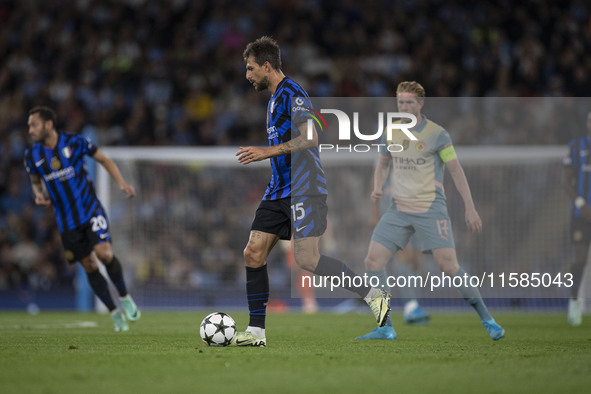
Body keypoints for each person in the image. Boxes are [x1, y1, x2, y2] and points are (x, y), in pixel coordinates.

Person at [234, 36, 390, 346]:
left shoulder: (294, 94)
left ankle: (373, 294)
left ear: (267, 66)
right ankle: (255, 333)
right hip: (278, 190)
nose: (247, 75)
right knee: (252, 253)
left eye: (250, 69)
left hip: (305, 189)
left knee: (307, 259)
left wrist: (266, 152)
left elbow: (311, 136)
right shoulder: (275, 98)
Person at [356, 81, 505, 340]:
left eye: (409, 102)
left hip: (430, 208)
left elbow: (456, 171)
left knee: (448, 265)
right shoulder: (391, 133)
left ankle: (488, 320)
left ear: (420, 104)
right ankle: (385, 326)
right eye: (400, 102)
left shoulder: (438, 134)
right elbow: (381, 164)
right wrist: (378, 188)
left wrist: (470, 207)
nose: (404, 106)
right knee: (372, 261)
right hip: (398, 209)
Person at [24, 106, 140, 332]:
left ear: (48, 125)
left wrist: (122, 183)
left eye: (34, 125)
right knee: (88, 265)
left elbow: (104, 160)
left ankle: (125, 297)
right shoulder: (33, 155)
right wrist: (38, 193)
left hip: (90, 210)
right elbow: (34, 178)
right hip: (67, 222)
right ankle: (114, 312)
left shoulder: (75, 142)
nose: (30, 130)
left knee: (104, 253)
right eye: (29, 125)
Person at [371, 166, 430, 325]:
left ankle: (413, 305)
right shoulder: (387, 150)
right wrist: (376, 213)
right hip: (393, 203)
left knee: (415, 260)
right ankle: (410, 307)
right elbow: (376, 178)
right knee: (404, 254)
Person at [562, 111, 591, 326]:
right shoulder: (576, 146)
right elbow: (566, 181)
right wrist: (581, 204)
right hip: (581, 214)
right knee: (580, 258)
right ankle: (574, 302)